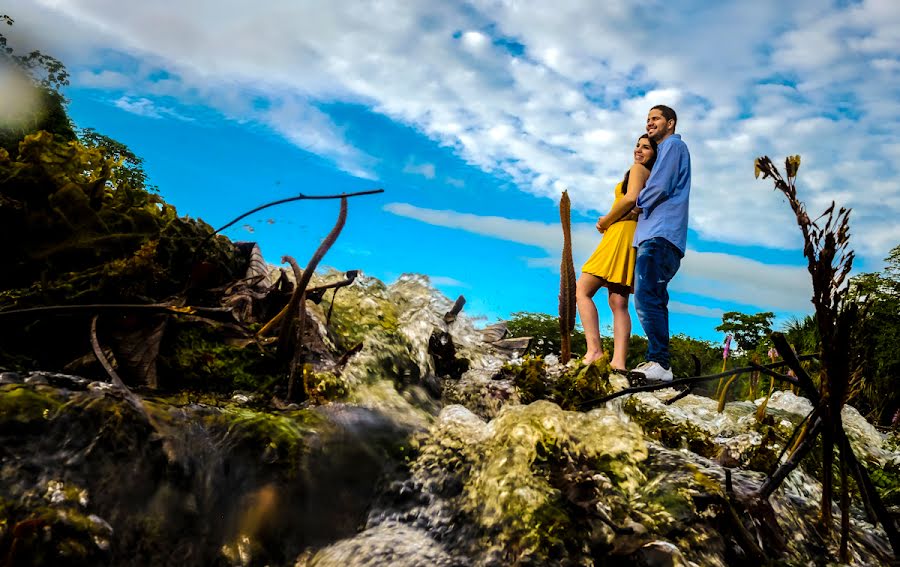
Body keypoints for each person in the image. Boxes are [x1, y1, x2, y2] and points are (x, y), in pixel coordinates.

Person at [576, 134, 658, 370]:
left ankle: (594, 351)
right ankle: (619, 362)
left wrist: (605, 221)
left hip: (619, 234)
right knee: (619, 301)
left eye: (646, 148)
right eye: (637, 145)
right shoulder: (652, 176)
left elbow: (630, 199)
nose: (639, 151)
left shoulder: (638, 170)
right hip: (632, 236)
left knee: (582, 290)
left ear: (654, 155)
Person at [631, 104, 691, 382]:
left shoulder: (672, 147)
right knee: (652, 297)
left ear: (671, 123)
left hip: (661, 234)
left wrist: (636, 205)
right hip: (658, 236)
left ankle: (660, 362)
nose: (649, 123)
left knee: (646, 297)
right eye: (647, 119)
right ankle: (658, 361)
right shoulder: (668, 150)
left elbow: (660, 186)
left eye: (655, 118)